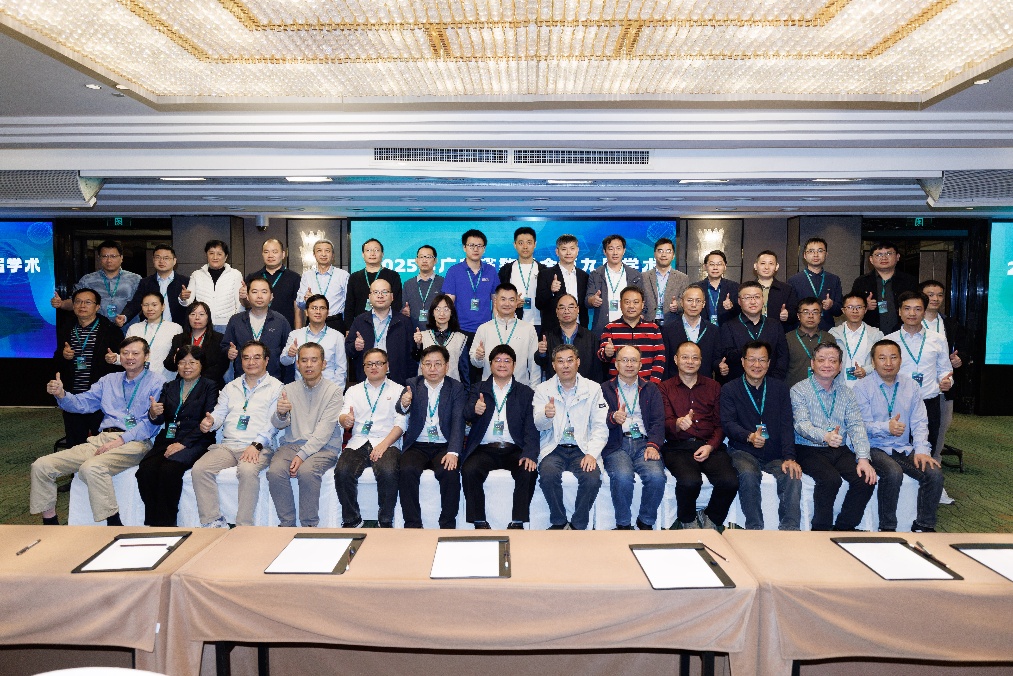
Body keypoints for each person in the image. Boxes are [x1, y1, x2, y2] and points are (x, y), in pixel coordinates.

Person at [32, 336, 165, 525]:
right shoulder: (109, 380)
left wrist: (120, 440)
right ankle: (50, 524)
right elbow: (82, 403)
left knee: (92, 468)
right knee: (42, 465)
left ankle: (114, 523)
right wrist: (61, 394)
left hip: (136, 442)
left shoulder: (157, 382)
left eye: (135, 353)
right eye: (125, 353)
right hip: (102, 439)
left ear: (146, 356)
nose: (130, 357)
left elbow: (151, 424)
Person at [854, 340, 944, 533]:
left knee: (934, 473)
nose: (888, 363)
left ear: (901, 360)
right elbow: (860, 426)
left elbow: (920, 422)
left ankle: (924, 525)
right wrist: (886, 427)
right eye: (882, 358)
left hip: (903, 447)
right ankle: (887, 528)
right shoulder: (862, 387)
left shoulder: (911, 386)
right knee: (893, 472)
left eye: (893, 357)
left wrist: (921, 450)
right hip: (873, 447)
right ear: (873, 362)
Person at [191, 340, 283, 528]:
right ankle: (213, 521)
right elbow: (219, 413)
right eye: (246, 358)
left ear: (266, 360)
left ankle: (243, 526)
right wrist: (210, 422)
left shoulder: (277, 387)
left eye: (256, 358)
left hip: (258, 446)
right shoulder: (230, 386)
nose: (251, 362)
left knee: (247, 471)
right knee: (200, 469)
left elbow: (273, 424)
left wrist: (256, 444)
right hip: (228, 446)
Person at [790, 342, 877, 531]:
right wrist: (825, 436)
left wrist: (863, 458)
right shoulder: (799, 390)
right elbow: (801, 424)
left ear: (839, 366)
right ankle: (820, 530)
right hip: (808, 448)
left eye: (832, 361)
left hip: (839, 449)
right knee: (830, 480)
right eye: (821, 360)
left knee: (866, 478)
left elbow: (856, 426)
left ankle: (844, 527)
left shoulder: (847, 393)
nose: (827, 365)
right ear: (812, 363)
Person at [720, 341, 802, 530]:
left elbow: (786, 425)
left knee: (792, 474)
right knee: (748, 474)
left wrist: (789, 457)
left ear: (769, 363)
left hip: (775, 453)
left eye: (762, 360)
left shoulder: (780, 389)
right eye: (752, 360)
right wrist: (749, 436)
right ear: (743, 362)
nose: (757, 365)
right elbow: (728, 424)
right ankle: (754, 528)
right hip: (743, 450)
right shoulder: (730, 389)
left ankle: (790, 529)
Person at [659, 341, 738, 530]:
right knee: (690, 481)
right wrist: (677, 424)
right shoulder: (664, 387)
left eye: (695, 358)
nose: (690, 361)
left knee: (730, 481)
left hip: (709, 445)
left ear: (701, 361)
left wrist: (710, 446)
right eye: (685, 357)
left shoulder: (714, 386)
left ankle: (711, 517)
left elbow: (720, 424)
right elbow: (664, 422)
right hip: (678, 447)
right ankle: (687, 519)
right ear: (676, 360)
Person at [136, 345, 218, 527]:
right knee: (145, 470)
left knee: (169, 469)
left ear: (201, 365)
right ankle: (153, 521)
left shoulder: (210, 386)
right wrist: (153, 413)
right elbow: (160, 419)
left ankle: (167, 523)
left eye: (192, 362)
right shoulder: (170, 386)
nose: (187, 367)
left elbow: (208, 420)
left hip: (196, 440)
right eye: (182, 362)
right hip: (168, 438)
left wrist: (183, 444)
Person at [460, 344, 540, 530]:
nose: (502, 364)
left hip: (514, 448)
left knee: (528, 470)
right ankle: (479, 521)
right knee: (470, 469)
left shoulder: (525, 392)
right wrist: (475, 409)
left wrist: (529, 453)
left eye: (507, 361)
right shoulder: (479, 388)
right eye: (497, 360)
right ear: (490, 364)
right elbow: (466, 414)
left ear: (514, 365)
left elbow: (531, 427)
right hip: (484, 449)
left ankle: (518, 521)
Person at [267, 342, 344, 528]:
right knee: (275, 472)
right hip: (291, 445)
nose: (309, 365)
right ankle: (287, 524)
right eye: (304, 360)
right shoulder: (288, 389)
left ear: (323, 364)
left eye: (314, 360)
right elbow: (278, 424)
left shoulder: (334, 391)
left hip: (324, 448)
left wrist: (302, 455)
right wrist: (281, 414)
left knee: (307, 471)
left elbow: (324, 432)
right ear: (297, 364)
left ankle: (309, 526)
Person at [533, 344, 609, 530]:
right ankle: (559, 521)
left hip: (582, 448)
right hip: (554, 447)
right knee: (548, 475)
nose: (565, 365)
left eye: (569, 360)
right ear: (553, 365)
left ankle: (578, 524)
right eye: (560, 361)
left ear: (578, 362)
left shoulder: (593, 388)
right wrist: (546, 415)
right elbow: (538, 425)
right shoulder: (542, 389)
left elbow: (600, 426)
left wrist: (591, 454)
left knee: (592, 478)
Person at [395, 345, 467, 529]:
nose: (432, 368)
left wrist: (453, 452)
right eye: (428, 364)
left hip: (444, 445)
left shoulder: (456, 388)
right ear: (421, 366)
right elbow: (400, 409)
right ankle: (413, 524)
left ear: (447, 366)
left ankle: (447, 525)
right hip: (417, 445)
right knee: (406, 471)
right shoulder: (412, 384)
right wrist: (404, 403)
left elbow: (458, 421)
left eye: (437, 364)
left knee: (450, 473)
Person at [335, 348, 407, 528]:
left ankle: (385, 520)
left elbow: (401, 424)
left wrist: (383, 445)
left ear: (387, 366)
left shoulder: (399, 390)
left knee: (388, 471)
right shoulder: (353, 391)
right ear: (364, 367)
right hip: (359, 441)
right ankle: (352, 519)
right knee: (342, 471)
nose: (374, 367)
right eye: (369, 364)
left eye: (378, 363)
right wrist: (346, 420)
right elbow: (343, 415)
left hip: (387, 441)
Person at [601, 345, 666, 530]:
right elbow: (595, 421)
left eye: (633, 360)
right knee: (622, 477)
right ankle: (623, 525)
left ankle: (645, 521)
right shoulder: (604, 389)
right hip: (616, 444)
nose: (629, 364)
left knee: (657, 477)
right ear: (616, 364)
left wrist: (653, 445)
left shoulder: (651, 389)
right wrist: (612, 418)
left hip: (645, 443)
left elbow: (658, 421)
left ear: (640, 364)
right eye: (624, 360)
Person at [883, 291, 954, 454]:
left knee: (927, 449)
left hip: (929, 401)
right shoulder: (888, 341)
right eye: (907, 308)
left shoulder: (938, 339)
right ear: (899, 312)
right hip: (898, 402)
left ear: (924, 312)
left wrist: (947, 381)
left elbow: (945, 369)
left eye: (917, 309)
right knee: (897, 451)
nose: (912, 313)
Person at [54, 287, 125, 445]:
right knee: (75, 443)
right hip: (73, 395)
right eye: (78, 302)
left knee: (101, 443)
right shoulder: (66, 328)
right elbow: (56, 360)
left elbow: (123, 363)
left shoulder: (110, 330)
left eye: (88, 302)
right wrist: (63, 356)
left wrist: (113, 360)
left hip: (100, 397)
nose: (82, 306)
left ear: (97, 306)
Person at [920, 279, 966, 490]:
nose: (935, 299)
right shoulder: (910, 322)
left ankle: (935, 483)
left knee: (939, 434)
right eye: (930, 294)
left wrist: (959, 360)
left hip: (943, 388)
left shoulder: (950, 324)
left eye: (939, 295)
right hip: (915, 390)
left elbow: (962, 350)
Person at [442, 229, 498, 382]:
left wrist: (496, 328)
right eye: (472, 245)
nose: (475, 249)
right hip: (460, 330)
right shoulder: (454, 271)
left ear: (484, 249)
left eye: (479, 246)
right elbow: (448, 303)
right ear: (464, 247)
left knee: (483, 373)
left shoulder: (491, 271)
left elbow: (496, 302)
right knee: (462, 374)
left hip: (485, 330)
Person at [52, 240, 141, 329]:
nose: (109, 260)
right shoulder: (87, 280)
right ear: (99, 258)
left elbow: (142, 304)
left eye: (113, 256)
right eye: (104, 256)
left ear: (121, 257)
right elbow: (76, 302)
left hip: (129, 330)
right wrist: (61, 304)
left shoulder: (135, 279)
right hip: (97, 331)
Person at [345, 278, 417, 385]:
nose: (380, 296)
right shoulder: (360, 321)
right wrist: (355, 347)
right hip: (367, 380)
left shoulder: (404, 322)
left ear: (392, 297)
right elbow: (348, 350)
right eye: (376, 292)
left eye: (384, 292)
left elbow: (412, 357)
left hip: (396, 381)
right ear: (369, 297)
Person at [222, 277, 292, 382]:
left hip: (272, 380)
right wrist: (229, 351)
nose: (259, 296)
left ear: (271, 296)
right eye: (254, 292)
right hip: (242, 379)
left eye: (264, 292)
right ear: (247, 296)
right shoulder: (236, 320)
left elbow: (287, 352)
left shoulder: (280, 321)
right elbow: (224, 346)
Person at [717, 280, 789, 382]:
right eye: (747, 298)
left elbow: (783, 356)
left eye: (757, 297)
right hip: (739, 384)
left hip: (771, 382)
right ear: (739, 301)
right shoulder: (728, 326)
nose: (753, 302)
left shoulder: (775, 325)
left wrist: (773, 380)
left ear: (763, 299)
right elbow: (727, 357)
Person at [470, 283, 540, 386]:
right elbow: (475, 363)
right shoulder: (484, 328)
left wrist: (534, 391)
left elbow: (534, 365)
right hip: (490, 389)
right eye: (503, 299)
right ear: (495, 301)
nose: (507, 304)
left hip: (519, 389)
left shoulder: (528, 329)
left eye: (511, 300)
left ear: (516, 302)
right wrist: (478, 357)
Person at [596, 286, 665, 383]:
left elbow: (660, 358)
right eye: (627, 302)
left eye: (636, 302)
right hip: (616, 386)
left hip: (647, 385)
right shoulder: (610, 328)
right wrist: (607, 353)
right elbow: (601, 356)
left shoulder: (653, 328)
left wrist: (653, 385)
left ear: (642, 305)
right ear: (620, 304)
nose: (631, 306)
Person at [849, 241, 919, 335]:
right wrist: (863, 306)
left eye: (889, 253)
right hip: (869, 334)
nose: (884, 257)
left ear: (897, 257)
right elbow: (850, 308)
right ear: (871, 259)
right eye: (878, 254)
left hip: (903, 333)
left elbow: (918, 306)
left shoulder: (909, 281)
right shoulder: (861, 282)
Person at [280, 294, 347, 389]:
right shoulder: (295, 335)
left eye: (322, 308)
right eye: (314, 308)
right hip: (301, 389)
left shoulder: (337, 336)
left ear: (328, 312)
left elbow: (341, 370)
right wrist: (289, 354)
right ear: (306, 312)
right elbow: (284, 361)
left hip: (327, 390)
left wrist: (335, 393)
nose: (318, 312)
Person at [110, 292, 182, 380]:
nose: (150, 309)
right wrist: (115, 358)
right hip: (137, 380)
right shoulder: (134, 328)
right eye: (146, 305)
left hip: (165, 380)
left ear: (163, 306)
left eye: (154, 305)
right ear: (141, 306)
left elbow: (177, 358)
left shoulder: (175, 328)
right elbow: (128, 355)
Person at [535, 293, 603, 383]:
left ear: (578, 309)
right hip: (556, 387)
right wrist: (541, 353)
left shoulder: (590, 337)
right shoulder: (548, 337)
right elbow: (542, 364)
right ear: (557, 312)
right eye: (562, 308)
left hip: (584, 388)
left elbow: (597, 369)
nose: (566, 311)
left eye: (570, 307)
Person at [180, 240, 245, 332]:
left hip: (227, 324)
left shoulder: (235, 274)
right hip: (203, 324)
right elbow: (188, 302)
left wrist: (238, 323)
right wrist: (183, 298)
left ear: (226, 256)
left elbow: (239, 303)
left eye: (219, 254)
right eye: (211, 253)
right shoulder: (196, 274)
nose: (215, 257)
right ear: (206, 255)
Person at [587, 234, 644, 335]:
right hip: (603, 329)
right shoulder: (595, 274)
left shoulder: (635, 275)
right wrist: (593, 300)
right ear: (604, 251)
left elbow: (643, 302)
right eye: (611, 249)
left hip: (629, 328)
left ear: (624, 251)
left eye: (618, 248)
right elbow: (587, 300)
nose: (615, 253)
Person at [121, 244, 190, 326]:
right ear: (153, 260)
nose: (161, 261)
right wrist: (125, 316)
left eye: (166, 258)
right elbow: (136, 303)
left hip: (178, 328)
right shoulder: (145, 282)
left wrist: (183, 299)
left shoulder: (185, 282)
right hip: (151, 328)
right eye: (158, 257)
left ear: (174, 261)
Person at [163, 301, 227, 388]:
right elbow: (168, 364)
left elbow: (221, 366)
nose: (197, 318)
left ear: (208, 318)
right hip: (183, 384)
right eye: (193, 314)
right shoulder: (179, 339)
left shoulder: (219, 338)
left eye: (201, 314)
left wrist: (196, 380)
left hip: (209, 385)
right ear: (188, 317)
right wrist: (175, 360)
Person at [662, 286, 719, 381]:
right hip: (675, 384)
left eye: (698, 301)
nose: (694, 305)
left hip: (704, 384)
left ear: (703, 304)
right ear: (681, 302)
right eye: (689, 300)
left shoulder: (713, 330)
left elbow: (716, 360)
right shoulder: (668, 330)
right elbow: (665, 362)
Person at [411, 293, 470, 385]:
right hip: (426, 388)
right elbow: (416, 359)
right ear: (432, 313)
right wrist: (418, 345)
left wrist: (465, 392)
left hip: (452, 389)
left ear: (452, 313)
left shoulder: (460, 338)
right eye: (437, 309)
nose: (442, 313)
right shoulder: (422, 336)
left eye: (446, 309)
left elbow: (464, 371)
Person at [536, 233, 590, 332]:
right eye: (564, 249)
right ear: (557, 252)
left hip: (580, 331)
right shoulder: (546, 274)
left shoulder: (584, 276)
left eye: (572, 249)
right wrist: (551, 291)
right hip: (553, 331)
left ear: (577, 250)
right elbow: (539, 304)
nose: (568, 253)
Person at [828, 293, 883, 389]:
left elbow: (882, 359)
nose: (854, 311)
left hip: (867, 388)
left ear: (865, 310)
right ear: (843, 310)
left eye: (859, 307)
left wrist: (866, 370)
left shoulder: (876, 334)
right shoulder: (833, 334)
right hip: (839, 388)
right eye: (850, 307)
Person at [788, 237, 843, 332]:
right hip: (801, 332)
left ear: (826, 254)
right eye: (811, 251)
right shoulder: (794, 280)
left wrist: (832, 305)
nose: (816, 254)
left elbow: (839, 311)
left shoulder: (834, 280)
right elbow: (791, 311)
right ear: (804, 255)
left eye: (820, 251)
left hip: (826, 330)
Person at [344, 238, 402, 327]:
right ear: (363, 254)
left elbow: (397, 303)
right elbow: (349, 305)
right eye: (368, 250)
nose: (372, 253)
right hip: (360, 324)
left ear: (382, 254)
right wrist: (349, 328)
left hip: (386, 323)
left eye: (376, 250)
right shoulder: (354, 277)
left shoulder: (393, 275)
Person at [499, 226, 548, 331]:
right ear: (515, 245)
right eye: (521, 243)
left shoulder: (544, 270)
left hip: (539, 323)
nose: (525, 247)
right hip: (513, 322)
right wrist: (511, 302)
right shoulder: (506, 270)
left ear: (535, 244)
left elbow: (548, 299)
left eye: (529, 243)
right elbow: (498, 298)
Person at [246, 238, 301, 330]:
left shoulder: (294, 278)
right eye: (266, 252)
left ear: (283, 254)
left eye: (274, 252)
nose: (270, 255)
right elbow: (246, 305)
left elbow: (297, 309)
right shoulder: (252, 277)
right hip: (257, 328)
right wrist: (243, 297)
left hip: (285, 329)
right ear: (262, 254)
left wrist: (297, 332)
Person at [296, 238, 350, 331]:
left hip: (335, 322)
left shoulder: (343, 275)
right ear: (314, 255)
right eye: (319, 251)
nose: (323, 254)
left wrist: (348, 328)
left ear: (333, 255)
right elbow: (299, 303)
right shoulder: (307, 276)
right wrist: (305, 300)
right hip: (312, 322)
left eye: (327, 251)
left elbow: (349, 304)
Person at [785, 297, 836, 387]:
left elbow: (834, 366)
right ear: (798, 316)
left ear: (820, 315)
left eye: (815, 312)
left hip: (823, 391)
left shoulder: (828, 338)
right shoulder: (787, 338)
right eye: (806, 312)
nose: (810, 316)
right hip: (794, 391)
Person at [642, 237, 690, 327]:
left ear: (673, 255)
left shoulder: (682, 278)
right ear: (654, 254)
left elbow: (686, 301)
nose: (664, 255)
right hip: (648, 324)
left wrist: (678, 306)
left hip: (672, 324)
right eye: (660, 251)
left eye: (668, 251)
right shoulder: (644, 277)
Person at [401, 244, 444, 331]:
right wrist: (403, 311)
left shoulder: (443, 282)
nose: (424, 260)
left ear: (435, 261)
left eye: (428, 257)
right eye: (421, 257)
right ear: (416, 260)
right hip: (413, 331)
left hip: (437, 332)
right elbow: (402, 308)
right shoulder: (408, 284)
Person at [753, 250, 798, 332]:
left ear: (777, 267)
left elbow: (796, 313)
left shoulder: (787, 289)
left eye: (771, 263)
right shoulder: (746, 288)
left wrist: (788, 314)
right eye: (763, 263)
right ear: (755, 266)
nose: (767, 267)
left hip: (777, 332)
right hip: (751, 332)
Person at [694, 250, 739, 327]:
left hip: (727, 330)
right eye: (712, 264)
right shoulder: (696, 288)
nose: (715, 268)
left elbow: (741, 312)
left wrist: (732, 307)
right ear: (705, 267)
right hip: (703, 330)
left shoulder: (735, 287)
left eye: (719, 264)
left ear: (725, 267)